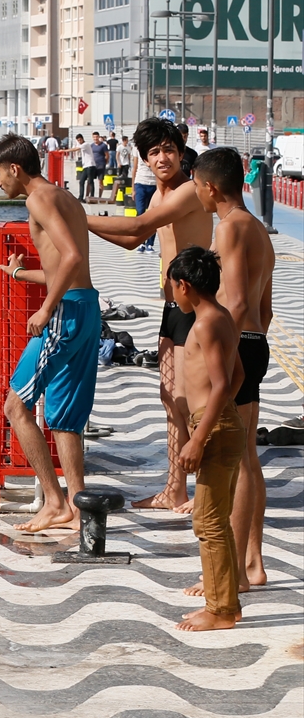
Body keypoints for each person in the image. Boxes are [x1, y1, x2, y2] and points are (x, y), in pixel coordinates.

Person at [88, 118, 213, 513]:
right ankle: (174, 488)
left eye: (168, 149)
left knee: (196, 402)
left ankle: (206, 490)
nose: (162, 157)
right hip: (172, 307)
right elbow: (133, 240)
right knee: (171, 398)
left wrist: (77, 216)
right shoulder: (160, 196)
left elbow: (138, 225)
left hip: (196, 309)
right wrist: (84, 226)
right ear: (143, 159)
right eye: (154, 152)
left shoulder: (188, 190)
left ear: (181, 151)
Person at [0, 134, 99, 532]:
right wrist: (19, 273)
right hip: (86, 306)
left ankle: (53, 501)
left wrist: (46, 308)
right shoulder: (65, 196)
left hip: (64, 313)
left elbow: (71, 256)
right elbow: (64, 267)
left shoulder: (36, 199)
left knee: (15, 408)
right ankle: (76, 507)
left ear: (14, 168)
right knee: (65, 418)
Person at [185, 147, 275, 594]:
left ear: (210, 187)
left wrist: (223, 352)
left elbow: (236, 301)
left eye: (195, 185)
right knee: (248, 457)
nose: (195, 194)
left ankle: (235, 571)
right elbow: (265, 308)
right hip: (255, 341)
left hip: (239, 345)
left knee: (237, 460)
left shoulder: (231, 227)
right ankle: (251, 562)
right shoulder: (258, 228)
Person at [166, 247, 245, 632]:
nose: (172, 295)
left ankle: (220, 611)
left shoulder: (205, 324)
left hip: (212, 428)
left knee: (208, 522)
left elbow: (223, 383)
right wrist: (221, 413)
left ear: (184, 285)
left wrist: (198, 436)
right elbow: (239, 374)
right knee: (217, 520)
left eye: (172, 287)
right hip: (221, 422)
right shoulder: (222, 316)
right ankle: (228, 603)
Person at [88, 132, 109, 199]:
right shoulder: (91, 145)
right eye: (94, 137)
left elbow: (107, 155)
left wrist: (104, 163)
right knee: (90, 180)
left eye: (96, 137)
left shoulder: (103, 145)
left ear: (99, 137)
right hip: (93, 165)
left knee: (100, 181)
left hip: (101, 165)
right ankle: (89, 195)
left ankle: (100, 196)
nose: (95, 138)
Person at [115, 134, 132, 202]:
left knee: (125, 176)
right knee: (120, 176)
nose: (127, 142)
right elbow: (117, 155)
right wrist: (118, 162)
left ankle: (124, 190)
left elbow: (129, 155)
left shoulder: (128, 147)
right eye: (126, 140)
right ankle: (119, 190)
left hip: (126, 163)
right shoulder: (119, 147)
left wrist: (129, 163)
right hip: (121, 163)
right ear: (124, 141)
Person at [74, 134, 90, 201]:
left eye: (80, 140)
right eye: (78, 140)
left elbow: (76, 149)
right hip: (85, 166)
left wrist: (64, 151)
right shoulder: (82, 145)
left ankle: (91, 197)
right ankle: (81, 197)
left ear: (83, 139)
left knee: (90, 182)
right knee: (81, 181)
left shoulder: (85, 144)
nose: (79, 141)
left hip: (90, 165)